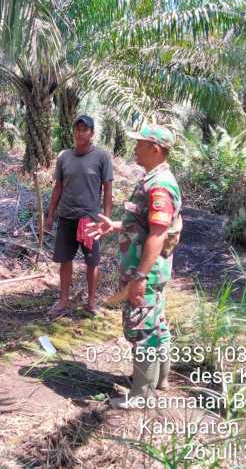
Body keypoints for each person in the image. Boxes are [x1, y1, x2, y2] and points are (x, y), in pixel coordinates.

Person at [86, 125, 182, 409]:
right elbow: (144, 224)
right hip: (149, 271)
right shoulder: (153, 178)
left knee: (142, 330)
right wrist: (116, 226)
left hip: (145, 273)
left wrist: (140, 276)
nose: (135, 149)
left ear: (155, 148)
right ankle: (158, 380)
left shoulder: (160, 184)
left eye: (140, 144)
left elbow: (158, 234)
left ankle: (141, 395)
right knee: (156, 324)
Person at [45, 114, 113, 317]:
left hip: (89, 219)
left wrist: (106, 219)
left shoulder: (102, 157)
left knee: (92, 262)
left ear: (92, 133)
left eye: (85, 129)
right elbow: (58, 187)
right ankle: (63, 300)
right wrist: (50, 214)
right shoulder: (64, 156)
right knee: (65, 260)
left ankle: (91, 302)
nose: (80, 133)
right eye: (78, 129)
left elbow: (108, 189)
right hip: (66, 216)